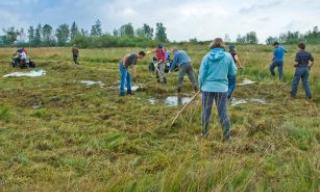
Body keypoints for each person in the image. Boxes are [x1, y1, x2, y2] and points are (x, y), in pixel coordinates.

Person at [198, 38, 237, 141]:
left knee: (206, 112)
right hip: (222, 89)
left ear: (212, 45)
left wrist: (200, 86)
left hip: (207, 88)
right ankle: (227, 138)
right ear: (222, 46)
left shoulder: (206, 57)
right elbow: (233, 72)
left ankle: (204, 134)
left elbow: (201, 75)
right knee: (223, 113)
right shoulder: (228, 57)